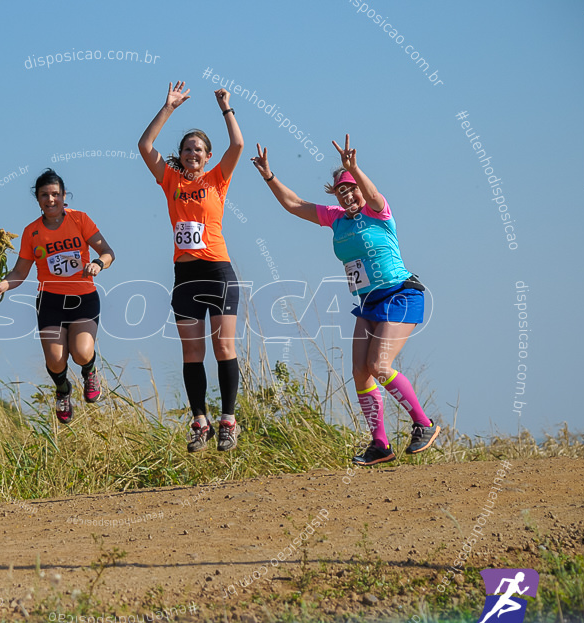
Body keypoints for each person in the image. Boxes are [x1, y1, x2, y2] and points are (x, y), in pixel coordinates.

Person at [251, 135, 439, 466]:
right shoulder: (335, 218)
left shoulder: (378, 211)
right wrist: (269, 175)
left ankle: (423, 424)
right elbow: (293, 204)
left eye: (352, 187)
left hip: (400, 294)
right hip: (368, 303)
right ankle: (380, 444)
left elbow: (374, 193)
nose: (348, 193)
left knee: (380, 367)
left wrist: (354, 168)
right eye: (342, 190)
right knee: (360, 372)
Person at [138, 81, 245, 452]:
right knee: (191, 354)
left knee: (224, 347)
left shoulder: (218, 179)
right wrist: (168, 107)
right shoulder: (170, 181)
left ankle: (228, 421)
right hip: (185, 276)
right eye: (187, 149)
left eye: (198, 149)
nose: (192, 154)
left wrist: (225, 108)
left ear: (207, 155)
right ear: (180, 155)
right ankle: (200, 422)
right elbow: (144, 147)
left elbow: (238, 146)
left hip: (217, 271)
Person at [0, 169, 115, 423]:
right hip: (51, 302)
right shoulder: (31, 232)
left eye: (55, 194)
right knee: (56, 361)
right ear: (37, 199)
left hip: (83, 299)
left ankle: (89, 372)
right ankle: (63, 390)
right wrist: (3, 285)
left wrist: (99, 264)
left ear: (64, 195)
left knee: (81, 353)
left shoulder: (80, 220)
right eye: (45, 195)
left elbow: (107, 251)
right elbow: (20, 272)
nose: (51, 200)